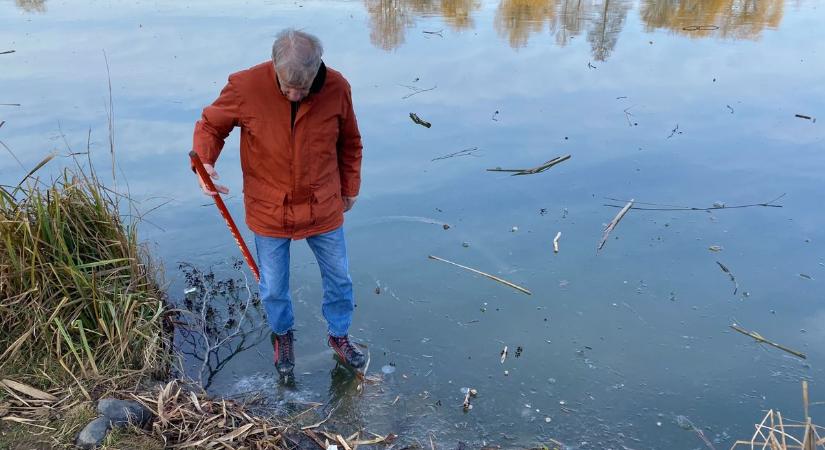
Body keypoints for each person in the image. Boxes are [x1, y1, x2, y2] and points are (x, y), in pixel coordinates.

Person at [191, 28, 365, 382]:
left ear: (318, 70)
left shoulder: (337, 87)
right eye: (288, 87)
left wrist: (350, 188)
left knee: (340, 278)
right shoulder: (245, 87)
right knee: (273, 287)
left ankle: (339, 335)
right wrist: (205, 164)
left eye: (303, 88)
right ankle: (283, 335)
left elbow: (350, 143)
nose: (295, 95)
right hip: (269, 206)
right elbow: (211, 126)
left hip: (323, 203)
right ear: (274, 67)